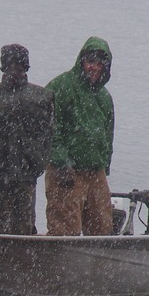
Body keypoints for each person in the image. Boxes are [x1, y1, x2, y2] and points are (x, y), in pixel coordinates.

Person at [0, 44, 55, 235]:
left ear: (26, 67)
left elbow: (48, 135)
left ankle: (19, 263)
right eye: (10, 65)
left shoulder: (42, 98)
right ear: (3, 66)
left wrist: (35, 165)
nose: (14, 70)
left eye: (19, 66)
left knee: (23, 232)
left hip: (26, 176)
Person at [44, 37, 115, 236]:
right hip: (66, 170)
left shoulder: (104, 97)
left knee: (102, 226)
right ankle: (60, 265)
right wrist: (60, 162)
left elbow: (107, 134)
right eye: (90, 61)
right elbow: (50, 128)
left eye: (100, 63)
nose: (94, 67)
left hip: (96, 171)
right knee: (65, 228)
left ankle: (99, 266)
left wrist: (104, 163)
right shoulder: (61, 86)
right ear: (82, 61)